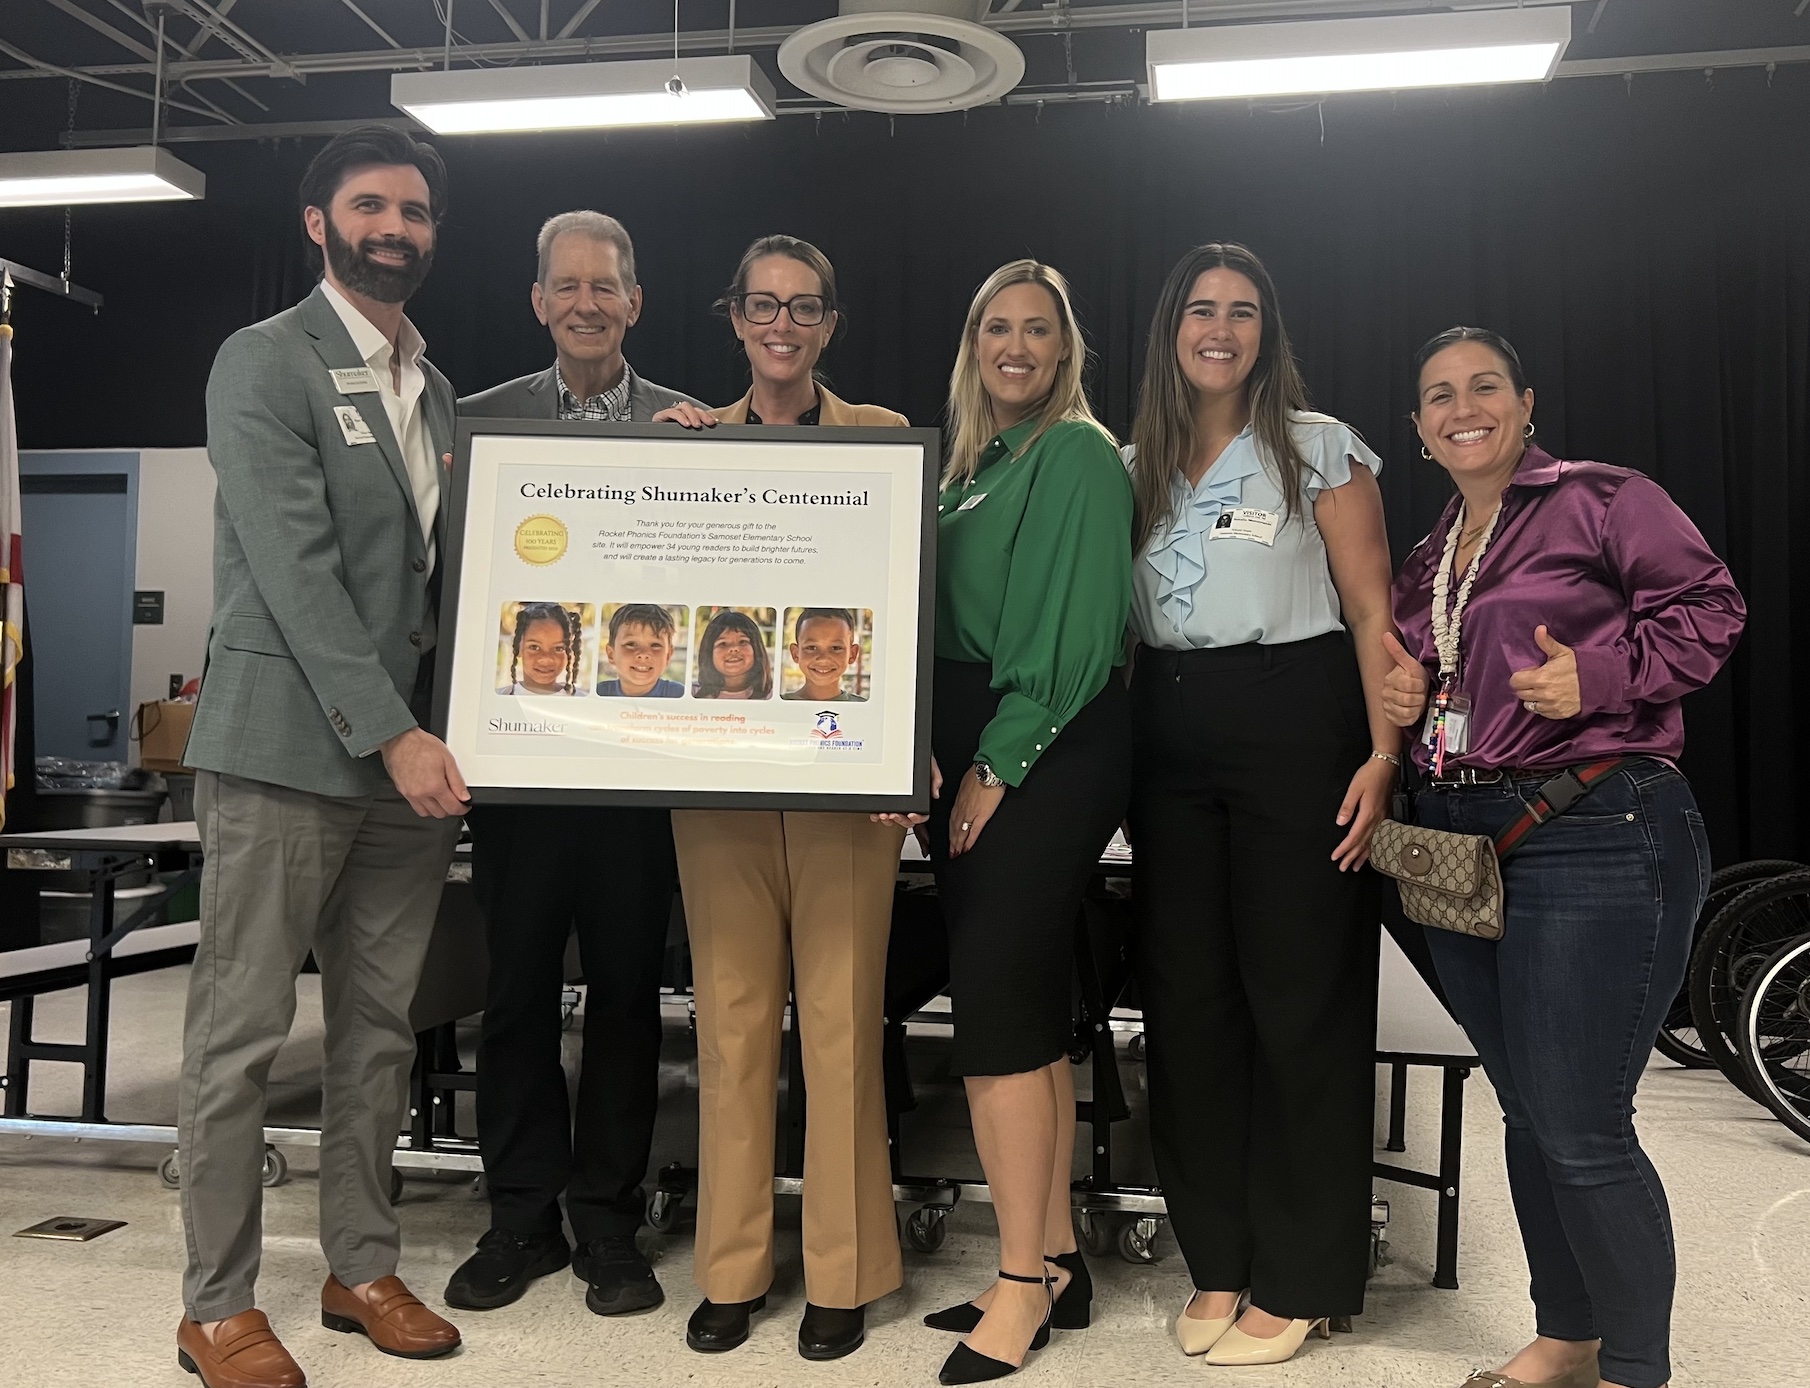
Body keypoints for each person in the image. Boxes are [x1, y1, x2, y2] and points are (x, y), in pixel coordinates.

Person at [1384, 327, 1745, 1388]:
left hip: (1596, 824)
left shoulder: (1601, 497)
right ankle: (1566, 1338)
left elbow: (1713, 608)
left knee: (1583, 1125)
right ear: (1416, 429)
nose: (1463, 405)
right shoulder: (1429, 552)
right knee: (1531, 1112)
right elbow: (1444, 675)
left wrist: (1601, 673)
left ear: (1524, 402)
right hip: (1468, 841)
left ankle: (1636, 1369)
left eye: (1483, 385)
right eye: (1438, 393)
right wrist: (1408, 696)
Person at [176, 125, 468, 1388]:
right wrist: (397, 731)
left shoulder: (434, 387)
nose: (393, 227)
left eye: (413, 211)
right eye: (369, 206)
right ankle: (216, 1303)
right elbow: (295, 576)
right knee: (239, 1035)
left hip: (403, 772)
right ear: (318, 222)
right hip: (291, 751)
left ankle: (359, 1263)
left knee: (378, 1032)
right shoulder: (263, 362)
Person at [1122, 242, 1396, 1367]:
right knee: (1188, 1004)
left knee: (1301, 997)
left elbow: (1375, 614)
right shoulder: (1131, 461)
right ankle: (1220, 1256)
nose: (1219, 329)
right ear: (1170, 328)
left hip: (1296, 719)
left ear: (1266, 329)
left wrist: (1385, 754)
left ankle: (1306, 1271)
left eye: (1241, 311)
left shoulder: (1317, 448)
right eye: (1200, 309)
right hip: (1168, 728)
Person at [654, 235, 910, 1362]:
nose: (782, 324)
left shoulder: (886, 442)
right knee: (734, 1025)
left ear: (829, 324)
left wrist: (907, 751)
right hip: (716, 779)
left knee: (847, 1026)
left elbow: (910, 618)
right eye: (763, 304)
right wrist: (652, 479)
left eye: (804, 307)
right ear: (734, 315)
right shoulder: (692, 445)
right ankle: (733, 1266)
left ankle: (845, 1271)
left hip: (843, 786)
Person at [447, 212, 687, 1320]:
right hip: (520, 771)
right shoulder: (477, 425)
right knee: (515, 997)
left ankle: (608, 1218)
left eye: (608, 285)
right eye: (566, 285)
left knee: (631, 999)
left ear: (636, 302)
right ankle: (520, 1214)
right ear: (538, 300)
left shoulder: (688, 426)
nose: (587, 302)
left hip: (638, 779)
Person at [916, 259, 1133, 1386]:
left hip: (1040, 736)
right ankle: (1050, 1257)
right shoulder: (968, 468)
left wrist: (996, 759)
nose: (1014, 345)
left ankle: (1013, 1288)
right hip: (981, 729)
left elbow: (1075, 630)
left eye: (1035, 330)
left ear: (1063, 349)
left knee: (995, 1007)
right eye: (994, 326)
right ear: (973, 344)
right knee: (1026, 1007)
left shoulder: (1077, 454)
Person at [596, 603, 685, 698]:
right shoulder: (599, 694)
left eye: (655, 645)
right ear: (611, 654)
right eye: (631, 644)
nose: (643, 654)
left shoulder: (680, 695)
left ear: (668, 655)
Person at [499, 601, 585, 696]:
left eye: (558, 648)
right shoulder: (498, 698)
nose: (546, 659)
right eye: (534, 647)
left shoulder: (582, 700)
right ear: (518, 646)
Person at [782, 607, 863, 701]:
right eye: (811, 648)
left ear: (852, 654)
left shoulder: (868, 710)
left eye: (836, 648)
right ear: (796, 654)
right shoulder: (774, 708)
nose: (823, 658)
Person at [692, 608, 774, 700]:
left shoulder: (772, 697)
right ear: (709, 653)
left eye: (742, 642)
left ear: (756, 649)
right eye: (723, 644)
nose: (733, 649)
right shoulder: (693, 694)